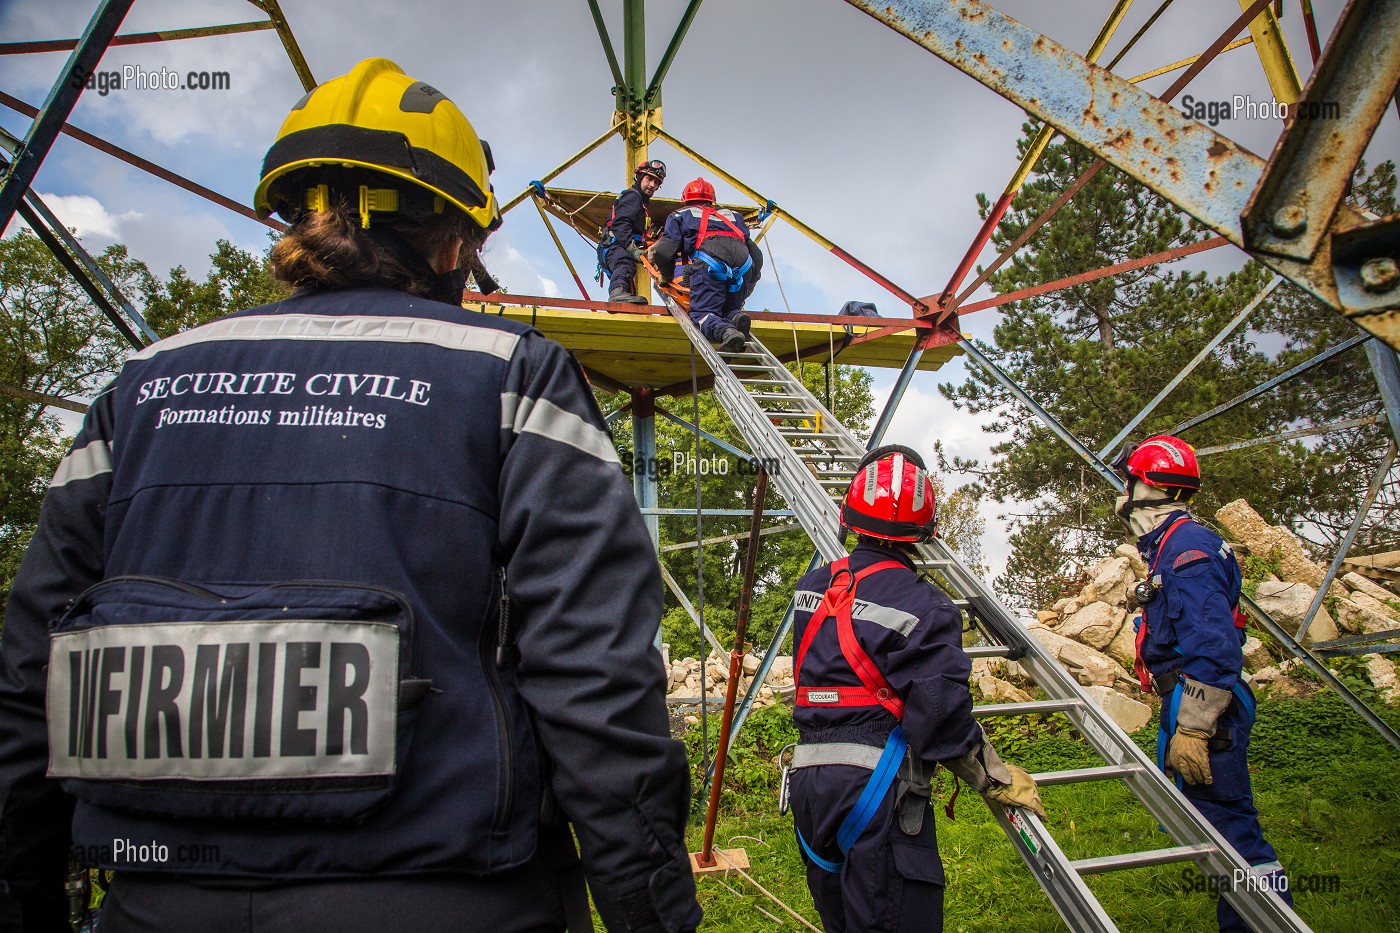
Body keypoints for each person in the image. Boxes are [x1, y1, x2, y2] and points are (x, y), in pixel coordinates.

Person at [0, 58, 701, 933]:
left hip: (155, 898)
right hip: (449, 897)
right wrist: (652, 913)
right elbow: (593, 677)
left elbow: (33, 672)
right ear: (455, 238)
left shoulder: (140, 387)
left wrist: (25, 899)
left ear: (298, 214)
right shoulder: (510, 377)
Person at [786, 445, 1046, 933]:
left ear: (849, 516)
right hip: (876, 790)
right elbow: (938, 714)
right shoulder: (926, 605)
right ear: (924, 532)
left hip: (809, 781)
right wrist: (995, 777)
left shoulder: (812, 587)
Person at [1115, 434, 1292, 933]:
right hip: (1194, 699)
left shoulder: (1188, 551)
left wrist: (1194, 727)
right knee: (1216, 827)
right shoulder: (1178, 544)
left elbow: (1214, 646)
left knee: (1231, 829)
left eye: (1130, 483)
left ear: (1148, 486)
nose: (1124, 495)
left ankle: (1268, 921)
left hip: (1205, 704)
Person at [648, 178, 763, 353]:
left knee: (702, 313)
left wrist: (667, 275)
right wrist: (751, 280)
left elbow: (664, 253)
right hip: (744, 266)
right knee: (727, 308)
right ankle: (735, 317)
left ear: (685, 199)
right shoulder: (733, 216)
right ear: (712, 200)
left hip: (712, 263)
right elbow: (756, 255)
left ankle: (726, 331)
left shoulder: (680, 215)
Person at [600, 159, 666, 304]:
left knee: (628, 279)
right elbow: (620, 223)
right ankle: (617, 293)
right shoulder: (633, 196)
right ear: (640, 177)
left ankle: (620, 294)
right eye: (649, 179)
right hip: (616, 245)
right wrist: (631, 248)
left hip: (616, 245)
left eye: (656, 183)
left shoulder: (640, 203)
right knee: (625, 264)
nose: (652, 185)